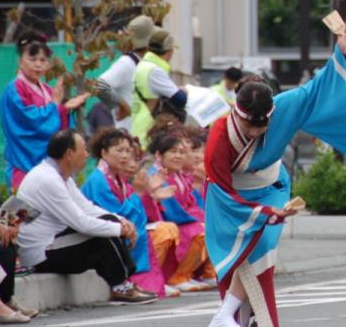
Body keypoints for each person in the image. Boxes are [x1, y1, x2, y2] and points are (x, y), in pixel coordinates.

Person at [204, 20, 346, 327]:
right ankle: (230, 315)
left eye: (262, 125)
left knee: (264, 245)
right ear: (237, 113)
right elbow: (221, 192)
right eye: (251, 127)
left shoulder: (283, 107)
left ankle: (227, 315)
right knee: (244, 250)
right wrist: (264, 214)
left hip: (272, 186)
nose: (257, 132)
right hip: (233, 197)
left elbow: (316, 89)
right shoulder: (219, 138)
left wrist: (341, 54)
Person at [13, 129, 156, 304]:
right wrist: (119, 229)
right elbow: (80, 222)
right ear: (70, 154)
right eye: (83, 149)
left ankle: (124, 283)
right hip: (40, 253)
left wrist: (121, 221)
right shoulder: (47, 179)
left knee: (109, 222)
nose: (87, 154)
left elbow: (86, 207)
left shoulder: (60, 176)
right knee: (102, 238)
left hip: (53, 242)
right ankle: (120, 286)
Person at [81, 127, 179, 299]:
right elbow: (114, 215)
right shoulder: (98, 181)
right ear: (104, 153)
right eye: (119, 150)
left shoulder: (117, 179)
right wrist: (142, 193)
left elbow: (139, 211)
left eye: (127, 150)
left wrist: (151, 195)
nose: (125, 156)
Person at [0, 31, 88, 190]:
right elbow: (30, 121)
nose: (38, 64)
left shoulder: (46, 89)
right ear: (20, 61)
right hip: (23, 162)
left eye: (42, 60)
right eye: (32, 59)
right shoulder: (14, 89)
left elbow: (55, 119)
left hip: (48, 166)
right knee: (24, 212)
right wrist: (55, 106)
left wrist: (64, 109)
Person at [141, 131, 214, 293]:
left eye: (182, 152)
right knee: (198, 230)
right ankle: (176, 277)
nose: (179, 156)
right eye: (173, 152)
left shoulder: (181, 176)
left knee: (211, 225)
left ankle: (190, 274)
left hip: (180, 221)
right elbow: (169, 211)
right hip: (170, 222)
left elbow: (192, 204)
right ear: (159, 155)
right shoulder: (156, 176)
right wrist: (197, 219)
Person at [91, 15, 155, 131]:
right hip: (130, 138)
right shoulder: (127, 63)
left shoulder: (143, 64)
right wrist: (123, 106)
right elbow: (99, 85)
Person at [130, 29, 188, 143]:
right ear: (170, 52)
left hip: (140, 121)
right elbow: (181, 99)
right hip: (148, 126)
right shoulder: (154, 71)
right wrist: (185, 91)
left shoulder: (143, 65)